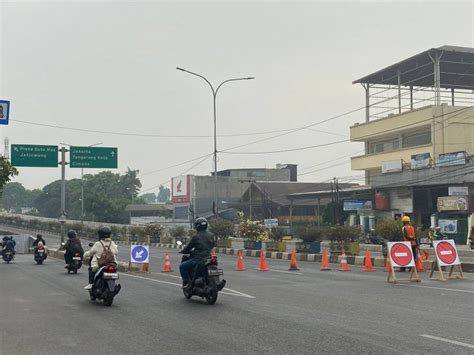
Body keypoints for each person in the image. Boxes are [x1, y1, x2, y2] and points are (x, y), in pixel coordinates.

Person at [179, 217, 215, 289]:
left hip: (199, 258)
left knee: (182, 267)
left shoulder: (196, 237)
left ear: (197, 226)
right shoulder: (211, 235)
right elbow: (212, 244)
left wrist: (183, 251)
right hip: (209, 257)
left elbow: (188, 247)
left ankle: (188, 283)